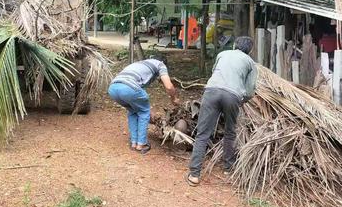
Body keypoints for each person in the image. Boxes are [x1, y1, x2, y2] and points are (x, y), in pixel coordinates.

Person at [187, 36, 257, 186]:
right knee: (230, 132)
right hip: (232, 96)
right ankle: (227, 167)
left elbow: (214, 72)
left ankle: (194, 174)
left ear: (234, 45)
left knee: (203, 134)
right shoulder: (250, 63)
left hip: (211, 92)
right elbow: (250, 91)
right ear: (250, 50)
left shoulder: (222, 54)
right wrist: (240, 100)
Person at [108, 55, 180, 154]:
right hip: (129, 88)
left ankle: (134, 142)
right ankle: (141, 144)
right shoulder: (160, 64)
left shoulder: (142, 63)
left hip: (113, 89)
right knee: (144, 112)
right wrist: (174, 98)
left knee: (133, 112)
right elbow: (169, 86)